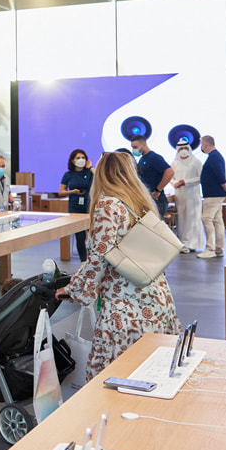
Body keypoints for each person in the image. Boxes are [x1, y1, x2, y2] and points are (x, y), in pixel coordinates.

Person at [56, 152, 182, 380]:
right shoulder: (141, 202)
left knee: (119, 377)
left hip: (125, 306)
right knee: (152, 373)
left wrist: (73, 289)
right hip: (157, 298)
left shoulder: (108, 205)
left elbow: (98, 257)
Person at [198, 135, 226, 259]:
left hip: (213, 195)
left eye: (201, 144)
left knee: (206, 218)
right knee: (217, 220)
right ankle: (218, 248)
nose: (201, 147)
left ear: (205, 145)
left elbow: (221, 177)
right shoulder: (215, 156)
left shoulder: (214, 157)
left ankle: (210, 248)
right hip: (215, 194)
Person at [59, 149, 94, 262]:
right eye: (78, 158)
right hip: (75, 208)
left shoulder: (89, 173)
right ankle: (83, 261)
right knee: (79, 237)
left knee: (93, 234)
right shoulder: (68, 174)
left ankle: (94, 259)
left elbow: (100, 178)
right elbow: (61, 192)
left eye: (83, 157)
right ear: (73, 161)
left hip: (89, 206)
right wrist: (72, 192)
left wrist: (91, 168)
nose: (81, 160)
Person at [130, 135, 174, 219]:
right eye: (132, 147)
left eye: (135, 147)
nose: (134, 149)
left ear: (144, 145)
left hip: (157, 201)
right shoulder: (142, 159)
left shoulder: (154, 157)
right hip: (147, 199)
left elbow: (169, 171)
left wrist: (158, 190)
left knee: (157, 228)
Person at [171, 141, 203, 254]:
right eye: (181, 148)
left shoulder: (196, 162)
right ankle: (183, 244)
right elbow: (171, 177)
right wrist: (174, 183)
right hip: (180, 196)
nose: (183, 150)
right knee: (182, 220)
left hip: (193, 196)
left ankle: (193, 244)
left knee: (193, 220)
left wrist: (186, 182)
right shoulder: (174, 163)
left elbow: (201, 178)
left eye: (185, 147)